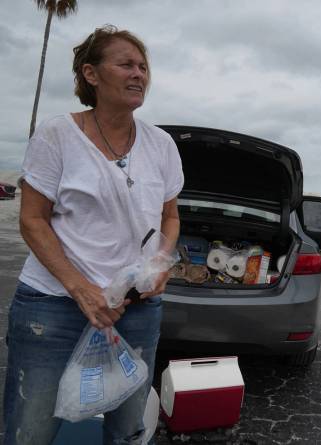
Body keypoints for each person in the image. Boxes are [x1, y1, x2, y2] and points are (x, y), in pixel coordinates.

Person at [3, 25, 183, 445]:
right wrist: (82, 290)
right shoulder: (57, 135)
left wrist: (160, 262)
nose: (139, 74)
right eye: (126, 64)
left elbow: (170, 217)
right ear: (91, 73)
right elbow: (32, 220)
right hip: (53, 304)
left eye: (143, 66)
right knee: (31, 430)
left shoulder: (162, 144)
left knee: (127, 428)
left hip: (135, 308)